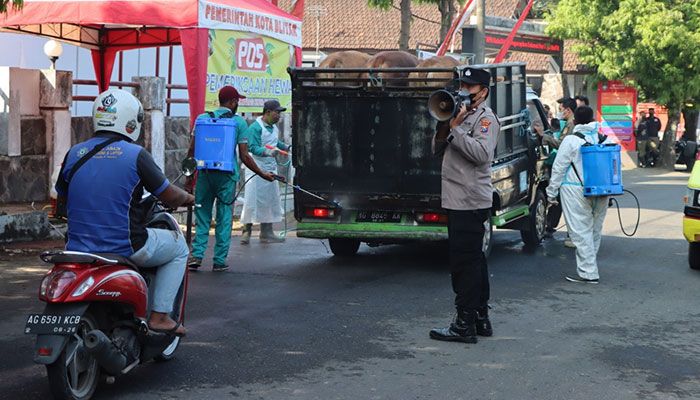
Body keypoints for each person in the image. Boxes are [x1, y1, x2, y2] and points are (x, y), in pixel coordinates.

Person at [56, 89, 194, 336]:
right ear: (131, 121)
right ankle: (160, 316)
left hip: (77, 248)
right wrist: (188, 198)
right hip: (125, 247)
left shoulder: (74, 153)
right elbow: (169, 195)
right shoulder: (135, 155)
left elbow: (62, 206)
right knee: (179, 248)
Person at [429, 67, 500, 344]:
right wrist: (445, 125)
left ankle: (464, 324)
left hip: (469, 200)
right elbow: (437, 150)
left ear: (483, 91)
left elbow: (482, 154)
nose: (464, 91)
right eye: (462, 85)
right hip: (458, 199)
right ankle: (480, 318)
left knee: (463, 264)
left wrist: (456, 131)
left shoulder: (486, 119)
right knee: (475, 261)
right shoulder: (461, 115)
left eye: (470, 87)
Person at [187, 86, 275, 272]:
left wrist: (189, 178)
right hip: (227, 177)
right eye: (237, 101)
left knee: (202, 215)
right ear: (233, 102)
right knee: (224, 217)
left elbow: (192, 150)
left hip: (204, 174)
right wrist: (262, 174)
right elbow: (245, 156)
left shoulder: (202, 119)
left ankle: (197, 255)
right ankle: (219, 260)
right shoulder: (238, 123)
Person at [546, 106, 610, 284]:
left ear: (575, 121)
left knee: (580, 233)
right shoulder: (603, 138)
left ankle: (588, 273)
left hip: (575, 190)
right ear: (592, 119)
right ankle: (590, 267)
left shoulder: (571, 141)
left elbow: (559, 168)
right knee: (594, 231)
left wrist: (551, 193)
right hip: (602, 191)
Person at [240, 100, 290, 244]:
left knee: (270, 200)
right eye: (277, 112)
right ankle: (246, 231)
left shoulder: (274, 128)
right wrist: (268, 151)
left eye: (280, 113)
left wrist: (287, 147)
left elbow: (275, 143)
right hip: (256, 168)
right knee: (251, 200)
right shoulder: (255, 128)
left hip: (270, 168)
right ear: (267, 112)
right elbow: (253, 148)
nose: (278, 116)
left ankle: (267, 232)